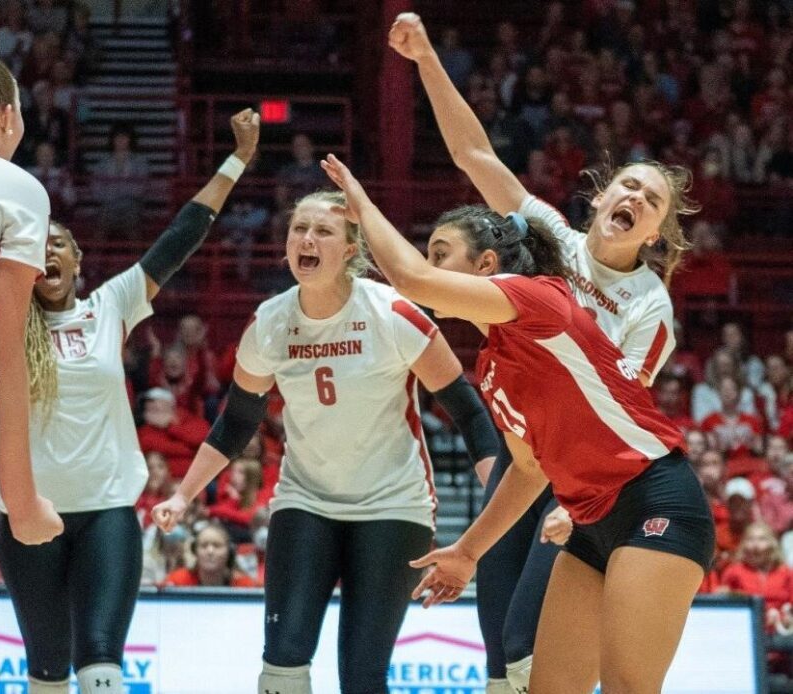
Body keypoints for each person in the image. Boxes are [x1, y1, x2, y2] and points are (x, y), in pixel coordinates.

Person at [318, 150, 713, 694]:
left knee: (628, 686)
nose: (433, 267)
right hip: (591, 520)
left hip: (656, 500)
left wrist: (362, 207)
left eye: (443, 254)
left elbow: (412, 279)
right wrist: (467, 552)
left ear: (485, 267)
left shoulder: (540, 299)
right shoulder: (494, 366)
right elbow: (528, 470)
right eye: (431, 254)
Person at [387, 12, 697, 692]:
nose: (637, 198)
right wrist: (428, 58)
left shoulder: (651, 307)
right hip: (525, 458)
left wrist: (570, 501)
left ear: (653, 233)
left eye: (651, 200)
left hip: (586, 478)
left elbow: (623, 415)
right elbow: (475, 157)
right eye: (630, 185)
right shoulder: (552, 236)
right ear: (601, 194)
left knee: (533, 642)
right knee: (504, 648)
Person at [152, 188, 500, 694]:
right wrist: (183, 495)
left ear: (351, 249)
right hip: (305, 499)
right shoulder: (269, 323)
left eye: (323, 230)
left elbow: (469, 414)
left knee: (361, 675)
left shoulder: (393, 313)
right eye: (299, 229)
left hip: (392, 506)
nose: (307, 239)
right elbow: (235, 422)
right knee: (282, 662)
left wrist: (500, 506)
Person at [0, 108, 259, 694]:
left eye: (58, 243)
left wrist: (237, 160)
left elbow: (180, 238)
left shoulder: (108, 307)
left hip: (107, 512)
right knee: (44, 670)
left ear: (77, 260)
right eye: (35, 247)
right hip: (25, 516)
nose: (48, 253)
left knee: (101, 667)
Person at [162, 522, 259, 587]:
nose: (210, 551)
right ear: (195, 551)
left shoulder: (244, 585)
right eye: (204, 546)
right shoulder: (177, 581)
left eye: (217, 546)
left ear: (229, 551)